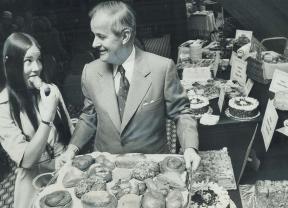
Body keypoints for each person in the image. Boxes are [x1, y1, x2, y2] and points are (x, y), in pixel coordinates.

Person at [59, 1, 201, 170]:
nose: (94, 44)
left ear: (125, 36)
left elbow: (181, 113)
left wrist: (190, 148)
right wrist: (72, 149)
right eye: (94, 35)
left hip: (152, 166)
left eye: (101, 36)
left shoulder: (162, 68)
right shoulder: (89, 72)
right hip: (105, 168)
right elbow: (89, 117)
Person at [0, 32, 74, 208]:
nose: (37, 68)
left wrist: (68, 154)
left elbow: (69, 132)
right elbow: (27, 160)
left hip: (64, 175)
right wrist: (47, 119)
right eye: (28, 61)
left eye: (38, 60)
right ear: (11, 65)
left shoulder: (52, 90)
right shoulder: (3, 106)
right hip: (33, 184)